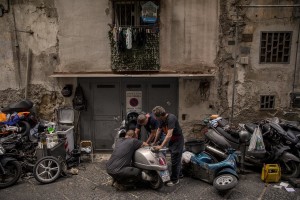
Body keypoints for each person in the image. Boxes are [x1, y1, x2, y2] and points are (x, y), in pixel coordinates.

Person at [152, 106, 184, 187]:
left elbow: (169, 135)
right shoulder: (162, 120)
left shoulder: (171, 118)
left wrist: (161, 146)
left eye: (156, 116)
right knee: (175, 159)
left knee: (175, 159)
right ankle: (179, 174)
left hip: (177, 140)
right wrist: (155, 142)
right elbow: (159, 130)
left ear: (160, 115)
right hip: (172, 140)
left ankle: (175, 180)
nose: (155, 118)